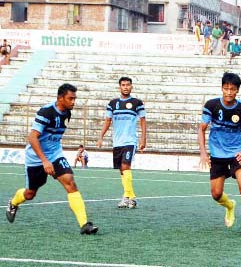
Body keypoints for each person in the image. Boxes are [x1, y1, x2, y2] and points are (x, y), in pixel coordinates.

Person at [5, 83, 98, 235]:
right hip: (36, 157)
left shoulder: (67, 112)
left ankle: (84, 225)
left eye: (75, 98)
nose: (73, 102)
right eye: (70, 98)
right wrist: (44, 161)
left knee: (70, 182)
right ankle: (13, 202)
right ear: (60, 98)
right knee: (30, 194)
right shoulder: (46, 112)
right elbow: (32, 137)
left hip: (55, 154)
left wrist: (51, 158)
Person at [198, 72, 241, 228]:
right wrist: (203, 153)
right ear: (222, 88)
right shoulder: (211, 106)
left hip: (236, 152)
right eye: (226, 88)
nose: (229, 92)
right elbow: (201, 129)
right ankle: (230, 206)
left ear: (237, 90)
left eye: (232, 89)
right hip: (217, 154)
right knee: (216, 194)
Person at [96, 76, 147, 209]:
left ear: (131, 87)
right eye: (123, 85)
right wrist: (101, 136)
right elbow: (107, 121)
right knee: (121, 170)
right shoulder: (112, 104)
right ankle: (128, 196)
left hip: (130, 141)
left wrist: (143, 138)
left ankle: (130, 197)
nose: (125, 87)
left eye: (128, 85)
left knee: (125, 166)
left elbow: (143, 121)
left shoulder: (137, 103)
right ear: (120, 87)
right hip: (117, 142)